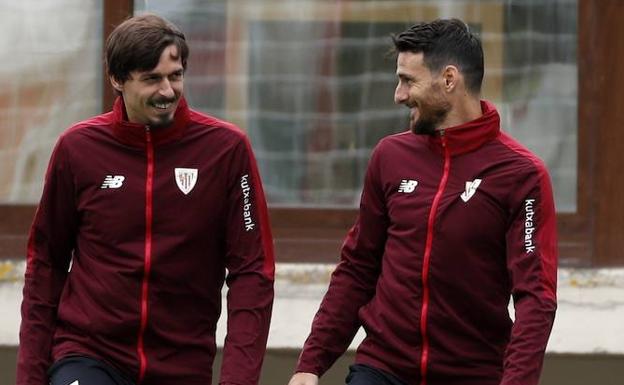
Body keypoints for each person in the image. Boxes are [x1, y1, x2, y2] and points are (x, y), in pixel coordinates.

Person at [288, 18, 557, 385]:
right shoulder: (390, 156)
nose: (398, 95)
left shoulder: (520, 174)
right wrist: (310, 364)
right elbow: (358, 267)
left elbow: (535, 299)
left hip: (473, 374)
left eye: (407, 80)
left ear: (449, 79)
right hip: (383, 369)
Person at [17, 14, 275, 385]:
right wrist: (30, 376)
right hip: (89, 355)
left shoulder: (226, 150)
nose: (168, 90)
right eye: (152, 78)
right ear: (117, 79)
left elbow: (252, 272)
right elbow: (45, 264)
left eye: (176, 75)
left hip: (182, 365)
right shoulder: (78, 149)